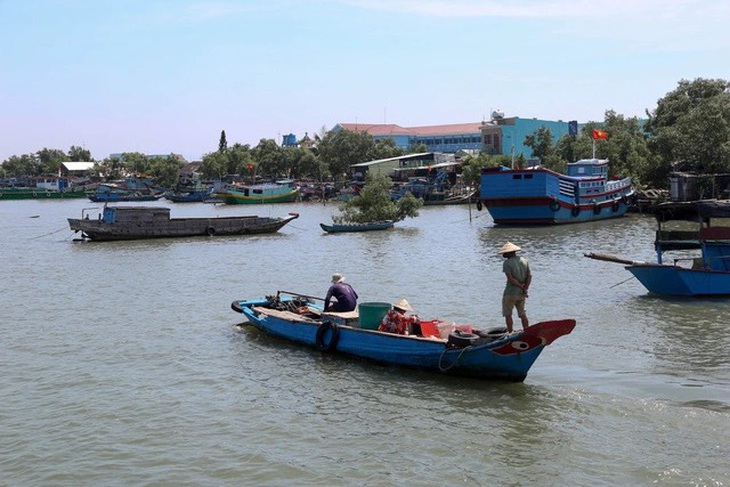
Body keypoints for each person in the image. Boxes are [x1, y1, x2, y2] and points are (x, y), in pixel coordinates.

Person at [499, 242, 531, 333]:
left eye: (505, 253)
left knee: (508, 314)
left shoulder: (507, 263)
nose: (503, 255)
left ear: (509, 253)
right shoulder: (524, 261)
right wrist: (525, 288)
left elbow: (511, 279)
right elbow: (529, 276)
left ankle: (510, 333)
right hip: (521, 293)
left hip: (510, 292)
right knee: (522, 314)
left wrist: (521, 286)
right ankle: (527, 331)